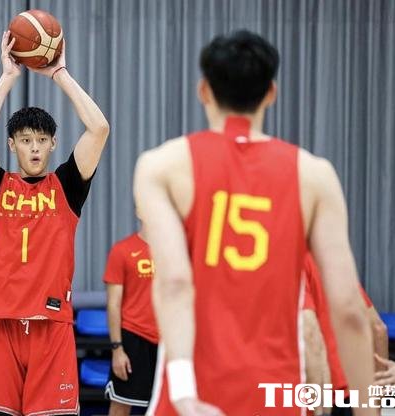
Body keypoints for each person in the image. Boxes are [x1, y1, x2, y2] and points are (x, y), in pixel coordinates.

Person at [133, 30, 375, 415]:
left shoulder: (162, 166)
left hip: (193, 395)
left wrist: (184, 394)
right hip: (274, 393)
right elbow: (348, 308)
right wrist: (367, 409)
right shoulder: (315, 175)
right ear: (271, 93)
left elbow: (175, 284)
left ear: (204, 90)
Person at [0, 31, 109, 416]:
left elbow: (99, 129)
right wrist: (7, 78)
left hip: (52, 324)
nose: (33, 147)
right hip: (5, 325)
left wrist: (60, 74)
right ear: (12, 144)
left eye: (41, 140)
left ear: (52, 144)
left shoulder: (66, 186)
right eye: (25, 140)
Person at [302, 252, 388, 416]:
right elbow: (378, 329)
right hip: (353, 396)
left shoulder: (293, 267)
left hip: (318, 398)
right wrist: (374, 406)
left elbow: (309, 337)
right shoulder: (334, 269)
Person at [102, 226, 158, 415]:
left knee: (168, 405)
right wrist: (117, 349)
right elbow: (113, 304)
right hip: (133, 337)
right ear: (139, 212)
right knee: (121, 404)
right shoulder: (123, 250)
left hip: (168, 341)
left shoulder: (176, 250)